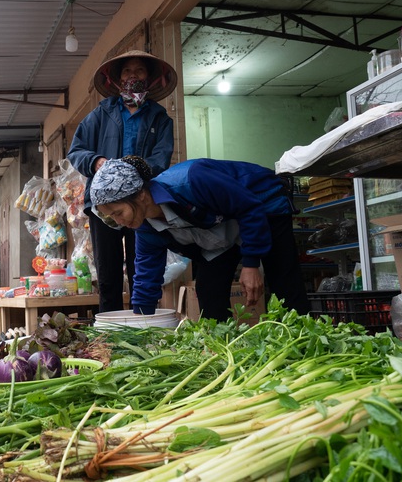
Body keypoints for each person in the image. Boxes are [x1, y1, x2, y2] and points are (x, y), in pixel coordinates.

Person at [89, 156, 311, 321]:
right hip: (220, 227)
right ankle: (222, 352)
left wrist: (251, 263)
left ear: (140, 195)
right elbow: (146, 277)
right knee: (208, 290)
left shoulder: (192, 180)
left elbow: (249, 207)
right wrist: (140, 323)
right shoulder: (146, 229)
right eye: (111, 218)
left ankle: (302, 344)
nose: (118, 222)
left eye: (118, 213)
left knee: (283, 281)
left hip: (262, 205)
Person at [67, 50, 177, 312]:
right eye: (127, 71)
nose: (133, 76)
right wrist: (97, 162)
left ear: (149, 77)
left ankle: (143, 322)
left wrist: (135, 169)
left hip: (140, 201)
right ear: (118, 79)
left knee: (143, 269)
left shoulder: (159, 117)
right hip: (104, 205)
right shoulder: (101, 114)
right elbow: (76, 151)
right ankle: (110, 330)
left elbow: (161, 157)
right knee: (108, 273)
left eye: (139, 71)